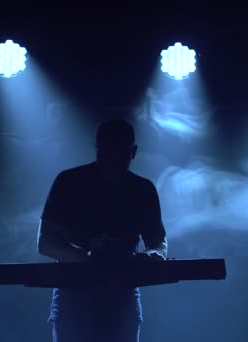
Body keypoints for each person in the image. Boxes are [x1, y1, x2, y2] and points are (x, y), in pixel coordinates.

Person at [37, 118, 168, 342]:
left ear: (132, 151)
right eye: (108, 154)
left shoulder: (142, 190)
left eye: (119, 155)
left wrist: (150, 256)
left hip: (119, 296)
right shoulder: (69, 182)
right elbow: (45, 242)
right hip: (75, 295)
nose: (112, 162)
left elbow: (159, 244)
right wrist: (89, 258)